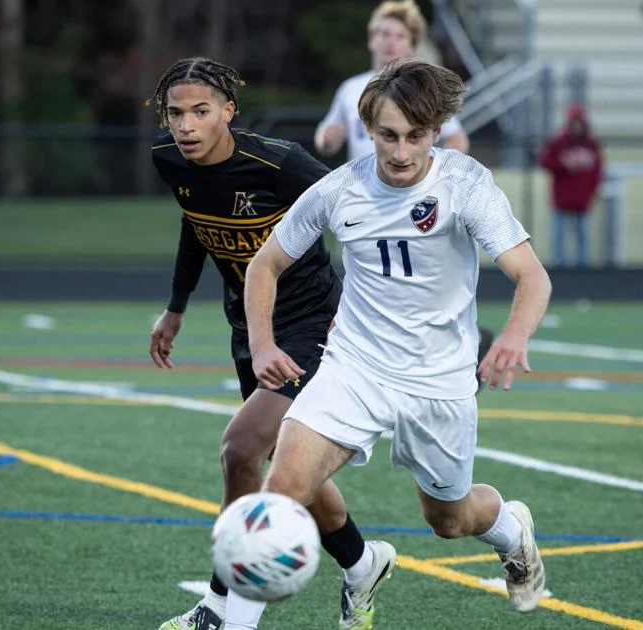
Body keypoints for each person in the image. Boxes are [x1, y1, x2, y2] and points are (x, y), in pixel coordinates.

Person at [245, 58, 552, 617]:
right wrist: (263, 344)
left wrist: (513, 334)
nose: (402, 151)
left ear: (435, 132)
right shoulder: (338, 190)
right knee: (283, 485)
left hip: (439, 379)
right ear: (369, 130)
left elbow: (532, 275)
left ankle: (512, 531)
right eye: (389, 135)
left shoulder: (464, 183)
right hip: (354, 367)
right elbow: (264, 265)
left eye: (417, 136)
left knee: (449, 520)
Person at [147, 57, 393, 630]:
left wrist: (358, 308)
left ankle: (220, 608)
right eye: (175, 113)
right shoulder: (168, 160)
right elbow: (195, 223)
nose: (186, 125)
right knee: (292, 466)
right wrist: (176, 307)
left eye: (201, 112)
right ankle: (362, 563)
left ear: (228, 112)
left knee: (240, 450)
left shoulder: (280, 164)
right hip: (248, 326)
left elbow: (361, 219)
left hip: (314, 324)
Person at [315, 0, 470, 163]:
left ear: (412, 46)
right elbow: (325, 139)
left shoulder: (422, 89)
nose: (391, 42)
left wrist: (439, 173)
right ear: (371, 40)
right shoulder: (350, 88)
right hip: (363, 186)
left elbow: (457, 138)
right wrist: (326, 140)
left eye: (400, 36)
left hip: (408, 185)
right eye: (384, 34)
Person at [539, 104, 603, 268]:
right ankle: (559, 267)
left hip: (582, 198)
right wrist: (564, 163)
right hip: (562, 197)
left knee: (582, 234)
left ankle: (582, 268)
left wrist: (594, 192)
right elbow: (545, 162)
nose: (576, 126)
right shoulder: (559, 142)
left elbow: (598, 171)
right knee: (559, 235)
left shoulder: (591, 144)